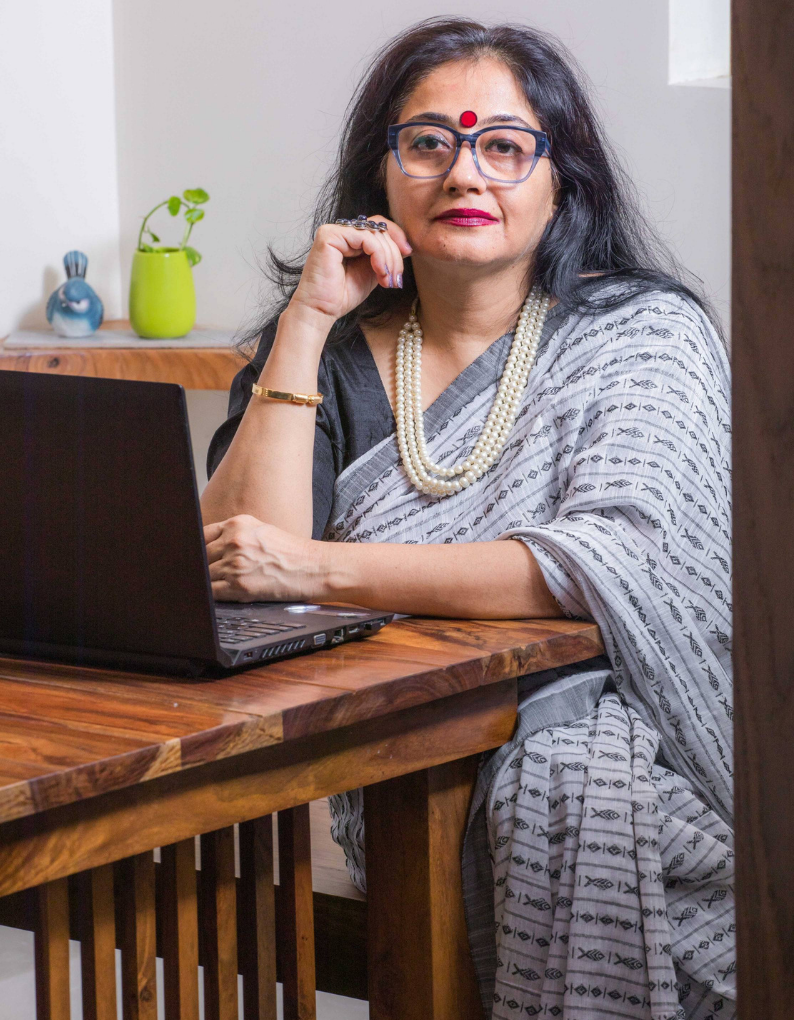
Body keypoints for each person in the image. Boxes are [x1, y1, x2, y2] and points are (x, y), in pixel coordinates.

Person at [202, 17, 734, 1020]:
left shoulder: (643, 334)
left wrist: (312, 570)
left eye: (502, 145)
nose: (463, 173)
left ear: (558, 179)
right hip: (406, 755)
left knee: (573, 781)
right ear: (383, 172)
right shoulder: (333, 349)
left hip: (649, 747)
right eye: (428, 143)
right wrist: (306, 326)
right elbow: (236, 570)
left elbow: (599, 564)